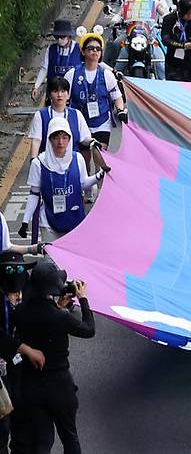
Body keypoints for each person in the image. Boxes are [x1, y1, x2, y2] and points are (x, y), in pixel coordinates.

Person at [12, 262, 95, 453]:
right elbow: (88, 330)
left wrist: (57, 305)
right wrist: (83, 300)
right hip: (59, 385)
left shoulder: (21, 312)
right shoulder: (60, 318)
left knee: (42, 440)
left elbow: (39, 321)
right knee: (69, 437)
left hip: (31, 385)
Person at [18, 116, 107, 243]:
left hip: (75, 220)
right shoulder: (38, 163)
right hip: (49, 222)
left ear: (69, 139)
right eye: (56, 137)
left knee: (73, 260)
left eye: (64, 137)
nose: (60, 142)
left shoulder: (78, 159)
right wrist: (25, 221)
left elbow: (83, 183)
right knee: (52, 261)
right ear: (49, 139)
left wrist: (99, 176)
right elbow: (34, 194)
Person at [0, 251, 47, 454]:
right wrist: (26, 349)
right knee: (2, 424)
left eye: (20, 270)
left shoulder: (26, 295)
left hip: (17, 366)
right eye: (10, 271)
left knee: (22, 413)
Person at [65, 32, 127, 149]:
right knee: (84, 158)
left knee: (101, 153)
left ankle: (100, 168)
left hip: (102, 122)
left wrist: (120, 110)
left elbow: (117, 97)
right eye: (90, 48)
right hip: (80, 123)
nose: (95, 51)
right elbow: (63, 98)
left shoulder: (107, 75)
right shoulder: (71, 75)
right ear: (83, 52)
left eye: (98, 49)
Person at [28, 77, 92, 160]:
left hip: (71, 162)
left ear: (68, 94)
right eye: (55, 91)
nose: (59, 95)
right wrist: (33, 160)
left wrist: (93, 142)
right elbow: (36, 140)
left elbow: (85, 138)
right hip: (47, 162)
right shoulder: (40, 115)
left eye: (63, 91)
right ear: (49, 95)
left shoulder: (76, 114)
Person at [32, 20, 82, 103]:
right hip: (53, 94)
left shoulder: (79, 49)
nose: (59, 40)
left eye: (62, 37)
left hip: (73, 95)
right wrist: (36, 86)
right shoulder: (51, 49)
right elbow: (44, 69)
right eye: (56, 37)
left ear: (69, 36)